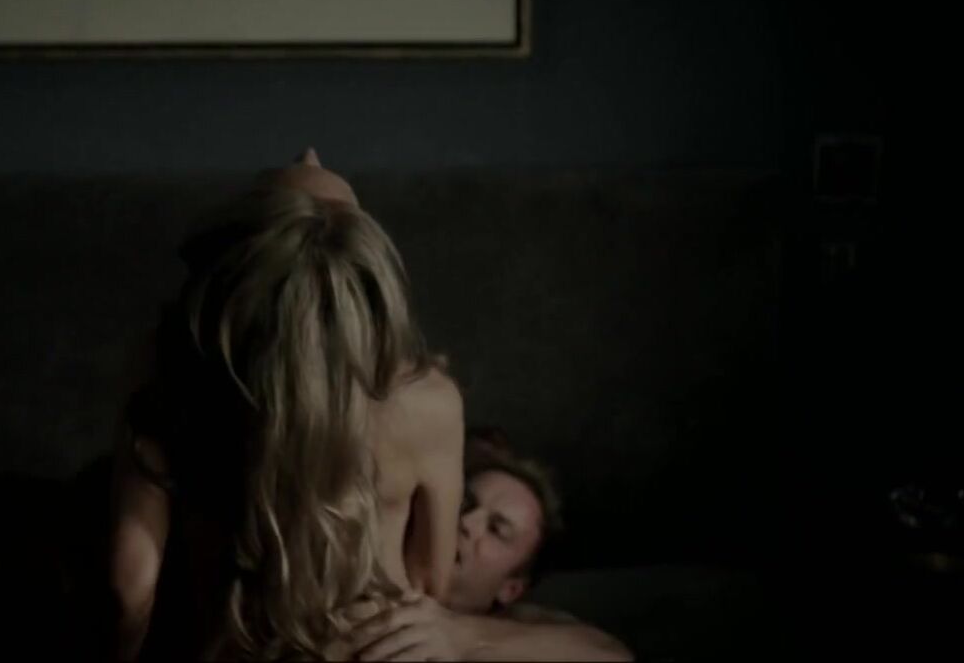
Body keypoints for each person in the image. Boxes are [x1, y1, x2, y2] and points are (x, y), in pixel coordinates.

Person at [106, 149, 465, 660]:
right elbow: (430, 584)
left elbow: (129, 588)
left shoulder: (172, 385)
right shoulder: (430, 402)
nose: (310, 151)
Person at [337, 430, 634, 661]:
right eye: (465, 502)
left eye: (496, 529)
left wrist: (463, 637)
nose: (466, 522)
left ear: (511, 588)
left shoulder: (515, 624)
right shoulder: (365, 563)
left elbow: (611, 655)